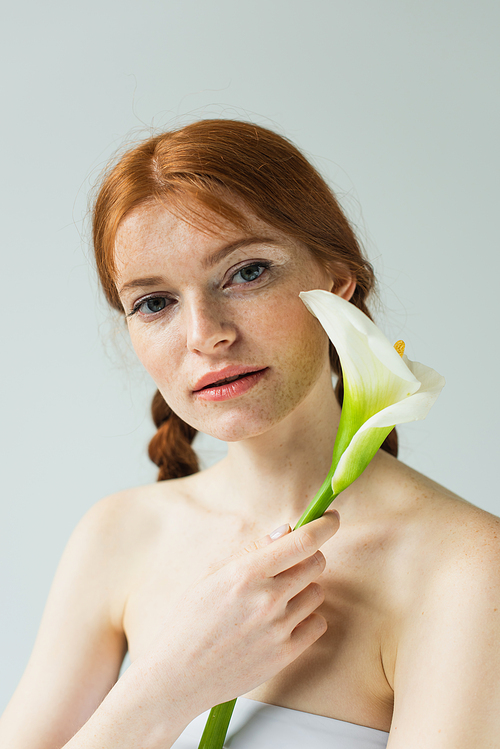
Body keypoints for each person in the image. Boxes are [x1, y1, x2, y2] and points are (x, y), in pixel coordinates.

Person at [1, 119, 499, 749]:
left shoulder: (465, 570)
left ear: (338, 283)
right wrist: (169, 685)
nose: (205, 333)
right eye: (155, 303)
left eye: (247, 272)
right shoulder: (117, 535)